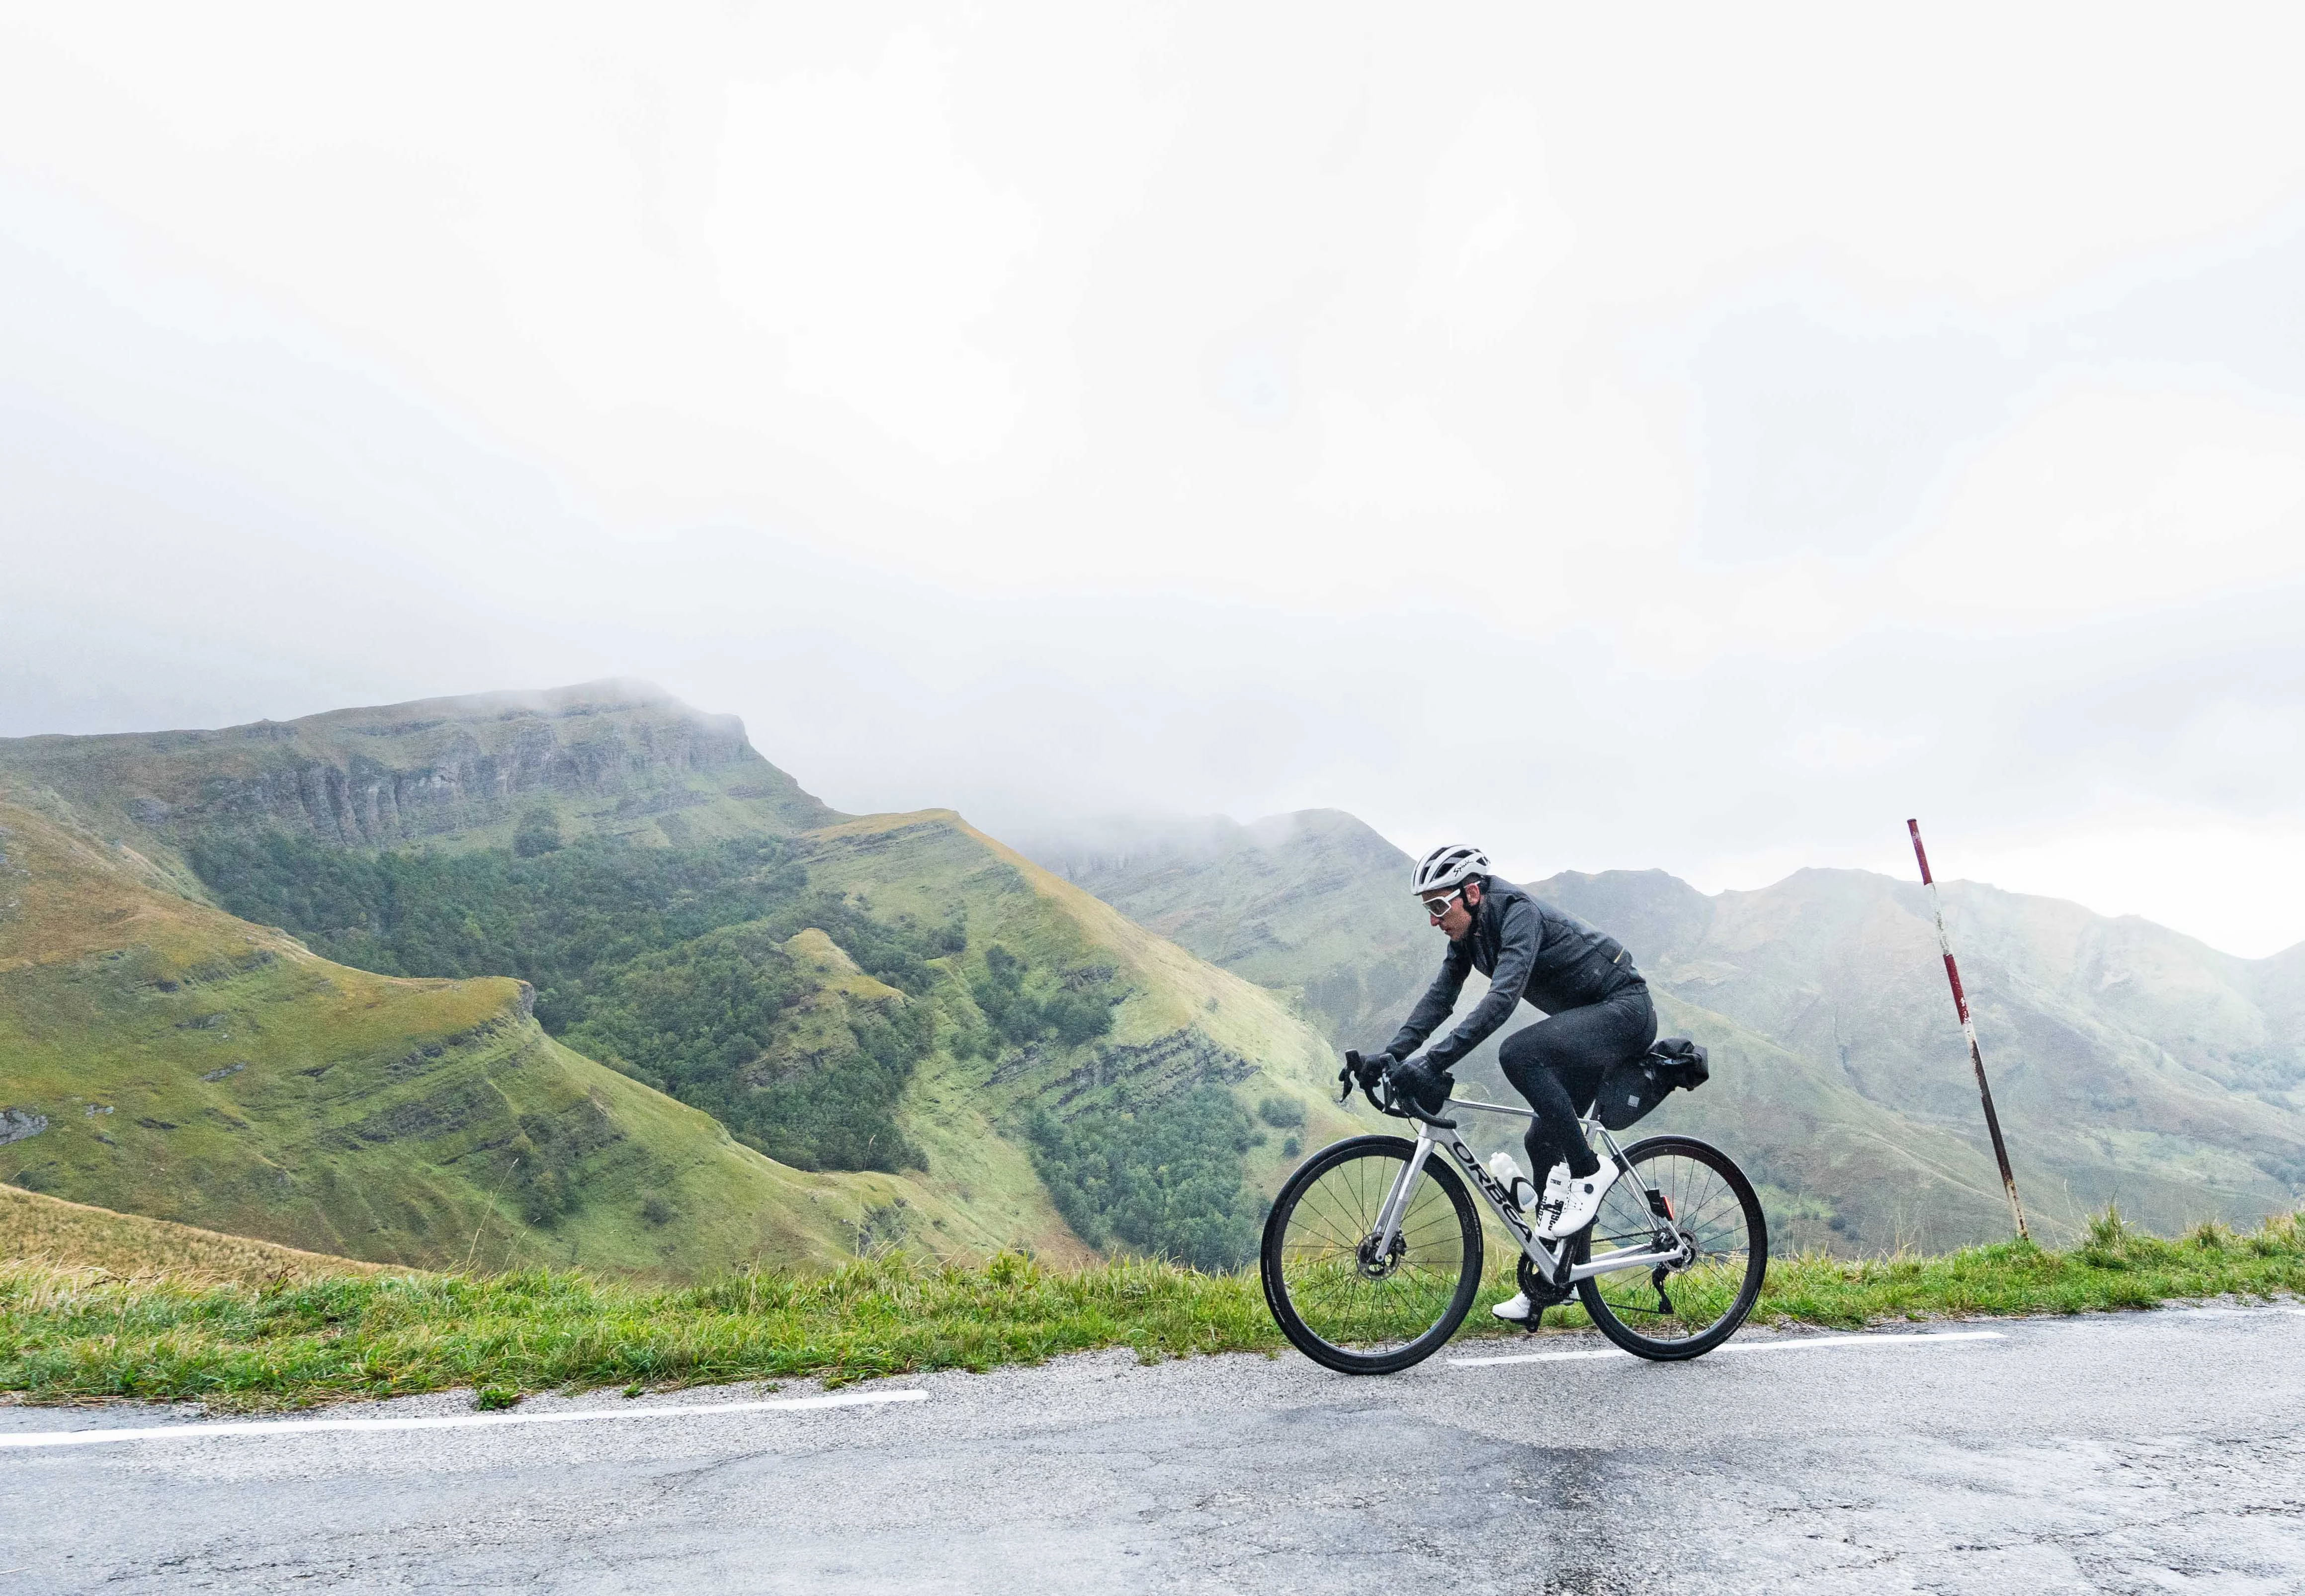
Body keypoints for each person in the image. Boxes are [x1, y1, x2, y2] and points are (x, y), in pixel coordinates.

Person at [1360, 843, 1657, 1324]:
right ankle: (1556, 1278)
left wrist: (1433, 1063)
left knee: (1518, 1053)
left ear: (1471, 892)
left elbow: (1501, 1000)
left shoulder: (1517, 914)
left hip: (1625, 1012)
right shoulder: (1468, 936)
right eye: (1427, 909)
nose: (1434, 920)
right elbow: (1440, 999)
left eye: (1439, 906)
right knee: (1541, 1138)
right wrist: (1391, 1055)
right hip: (1585, 1026)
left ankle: (1590, 1171)